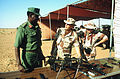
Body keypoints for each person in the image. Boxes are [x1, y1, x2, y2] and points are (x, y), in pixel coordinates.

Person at [14, 7, 45, 72]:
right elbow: (17, 47)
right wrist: (19, 64)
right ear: (30, 15)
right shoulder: (23, 28)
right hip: (28, 58)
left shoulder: (37, 27)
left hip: (38, 56)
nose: (38, 18)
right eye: (36, 16)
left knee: (39, 74)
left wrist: (41, 55)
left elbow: (37, 43)